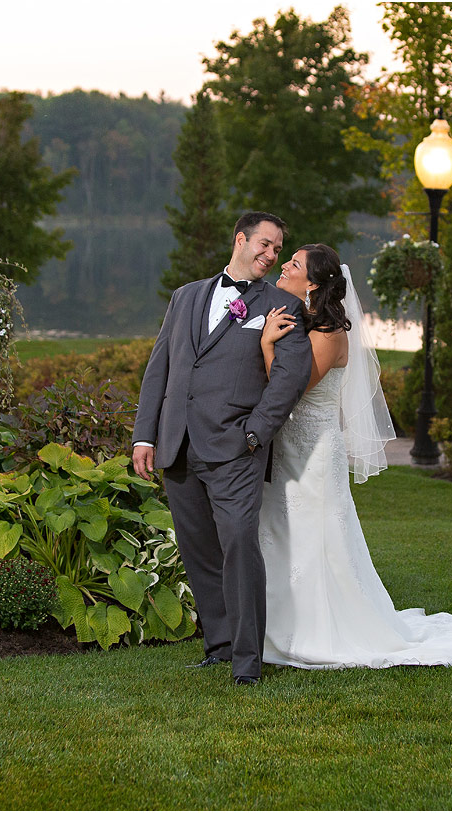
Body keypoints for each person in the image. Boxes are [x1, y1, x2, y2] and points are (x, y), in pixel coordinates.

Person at [257, 243, 452, 669]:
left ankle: (319, 631)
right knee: (283, 532)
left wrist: (268, 346)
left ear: (315, 282)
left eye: (295, 263)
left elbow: (290, 388)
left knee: (316, 538)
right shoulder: (304, 323)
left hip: (315, 451)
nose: (284, 265)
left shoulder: (329, 334)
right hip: (288, 448)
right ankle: (274, 624)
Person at [132, 212, 312, 685]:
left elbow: (290, 378)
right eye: (266, 245)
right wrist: (145, 435)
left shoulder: (281, 305)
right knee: (200, 552)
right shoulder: (185, 297)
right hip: (178, 446)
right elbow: (160, 369)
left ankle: (248, 662)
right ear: (240, 240)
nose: (272, 256)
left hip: (236, 449)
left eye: (278, 250)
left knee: (238, 546)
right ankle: (218, 646)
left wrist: (254, 434)